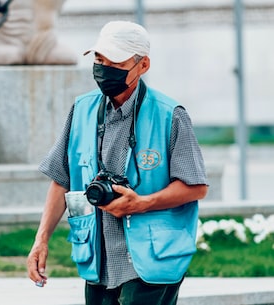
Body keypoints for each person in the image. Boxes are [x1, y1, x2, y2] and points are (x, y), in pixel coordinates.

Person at [26, 20, 208, 305]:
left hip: (152, 261)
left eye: (115, 61)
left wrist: (141, 203)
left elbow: (195, 187)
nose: (103, 68)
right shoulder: (81, 110)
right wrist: (41, 240)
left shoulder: (170, 115)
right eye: (99, 59)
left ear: (143, 65)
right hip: (99, 261)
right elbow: (61, 179)